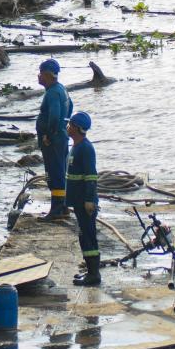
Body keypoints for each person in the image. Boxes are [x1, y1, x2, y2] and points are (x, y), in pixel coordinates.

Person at [66, 111, 101, 285]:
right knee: (83, 236)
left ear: (78, 128)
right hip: (78, 200)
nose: (68, 127)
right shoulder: (76, 146)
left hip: (84, 202)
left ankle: (94, 274)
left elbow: (91, 176)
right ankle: (90, 270)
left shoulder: (86, 148)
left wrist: (89, 199)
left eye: (71, 125)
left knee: (88, 236)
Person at [35, 59, 72, 220]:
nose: (38, 76)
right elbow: (70, 106)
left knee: (54, 173)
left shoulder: (52, 93)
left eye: (40, 73)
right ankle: (63, 206)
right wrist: (65, 124)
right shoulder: (61, 89)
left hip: (53, 141)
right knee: (61, 171)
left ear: (47, 75)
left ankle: (56, 210)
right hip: (61, 137)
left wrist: (48, 135)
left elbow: (55, 115)